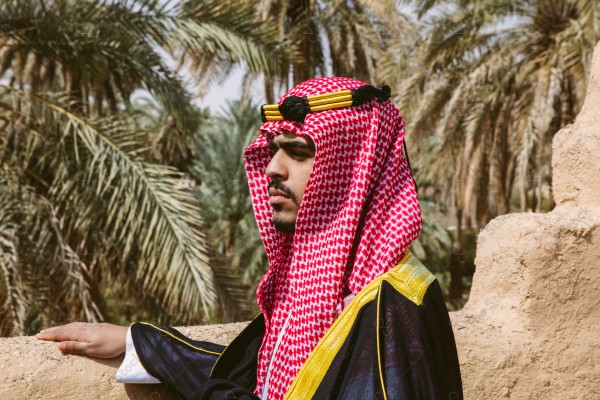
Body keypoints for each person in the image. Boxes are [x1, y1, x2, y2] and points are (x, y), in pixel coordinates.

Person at [37, 77, 463, 399]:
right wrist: (141, 342)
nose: (273, 169)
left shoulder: (392, 312)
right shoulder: (326, 287)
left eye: (298, 153)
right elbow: (260, 377)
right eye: (275, 149)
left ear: (355, 171)